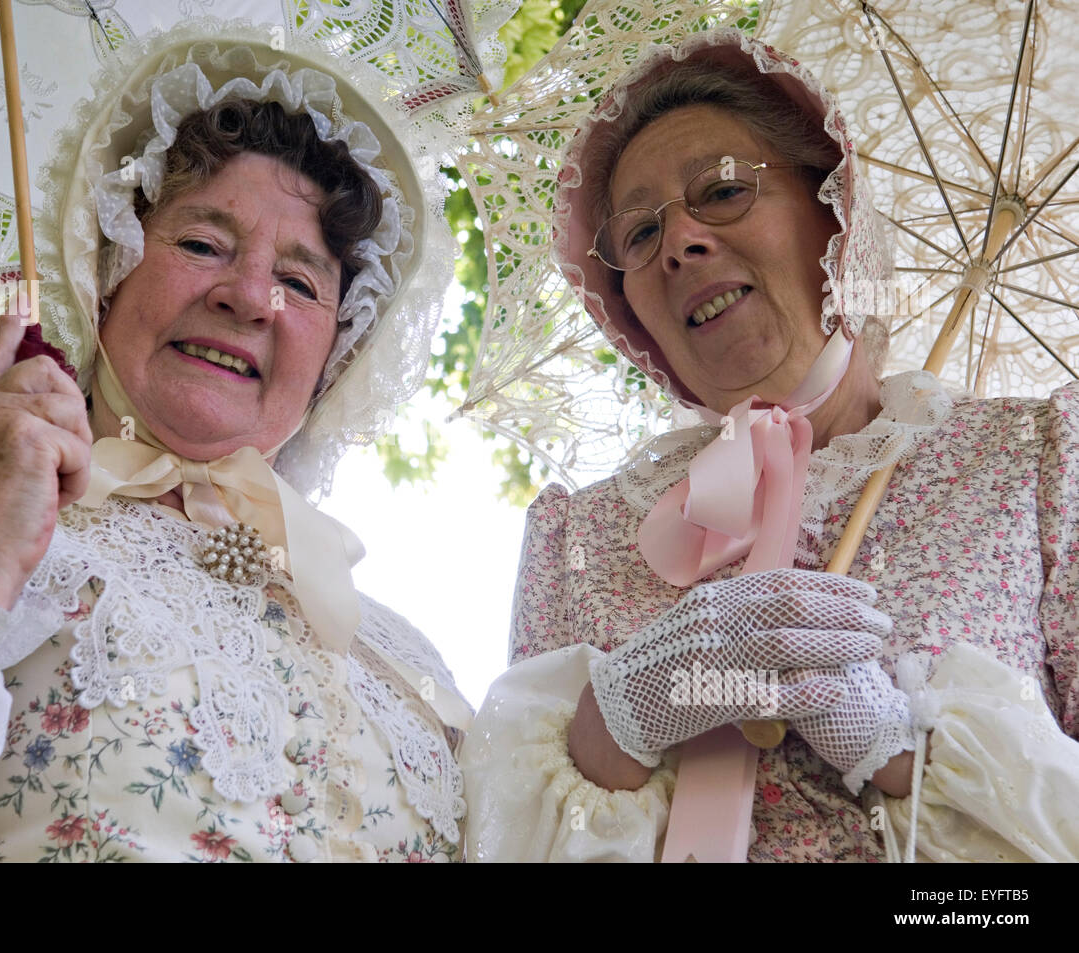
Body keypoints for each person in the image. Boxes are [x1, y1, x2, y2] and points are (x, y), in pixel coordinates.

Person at [0, 22, 468, 862]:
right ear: (103, 272)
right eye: (202, 243)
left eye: (299, 280)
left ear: (337, 353)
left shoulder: (401, 660)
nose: (250, 296)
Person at [462, 29, 1079, 862]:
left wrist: (907, 755)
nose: (678, 240)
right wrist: (623, 714)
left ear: (835, 214)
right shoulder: (580, 536)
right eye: (640, 237)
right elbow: (503, 844)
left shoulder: (1035, 459)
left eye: (720, 191)